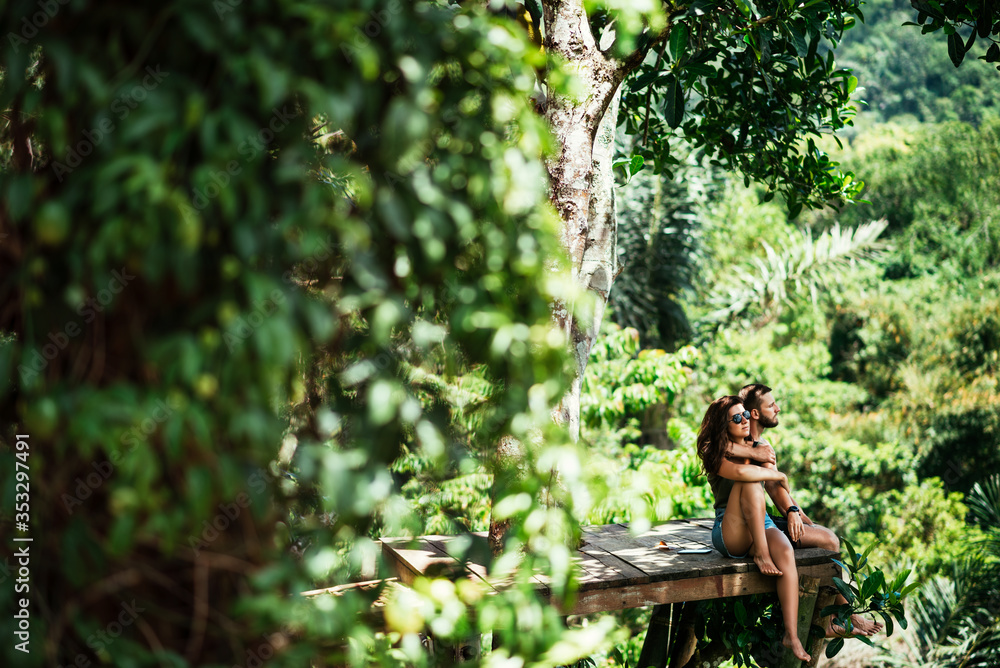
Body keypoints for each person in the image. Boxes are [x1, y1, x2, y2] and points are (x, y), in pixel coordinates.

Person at [730, 383, 882, 638]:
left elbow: (774, 486)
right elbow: (770, 485)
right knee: (828, 540)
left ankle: (841, 614)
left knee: (825, 537)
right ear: (755, 413)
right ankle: (839, 617)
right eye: (771, 405)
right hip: (743, 525)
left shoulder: (763, 443)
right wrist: (791, 510)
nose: (778, 409)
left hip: (763, 518)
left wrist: (794, 511)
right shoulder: (740, 444)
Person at [697, 395, 811, 662]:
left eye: (745, 415)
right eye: (736, 418)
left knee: (785, 550)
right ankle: (760, 552)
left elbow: (767, 477)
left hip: (761, 521)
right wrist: (778, 474)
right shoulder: (714, 451)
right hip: (731, 529)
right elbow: (741, 475)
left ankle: (791, 634)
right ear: (723, 425)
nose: (744, 421)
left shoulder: (758, 446)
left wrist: (792, 509)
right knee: (749, 482)